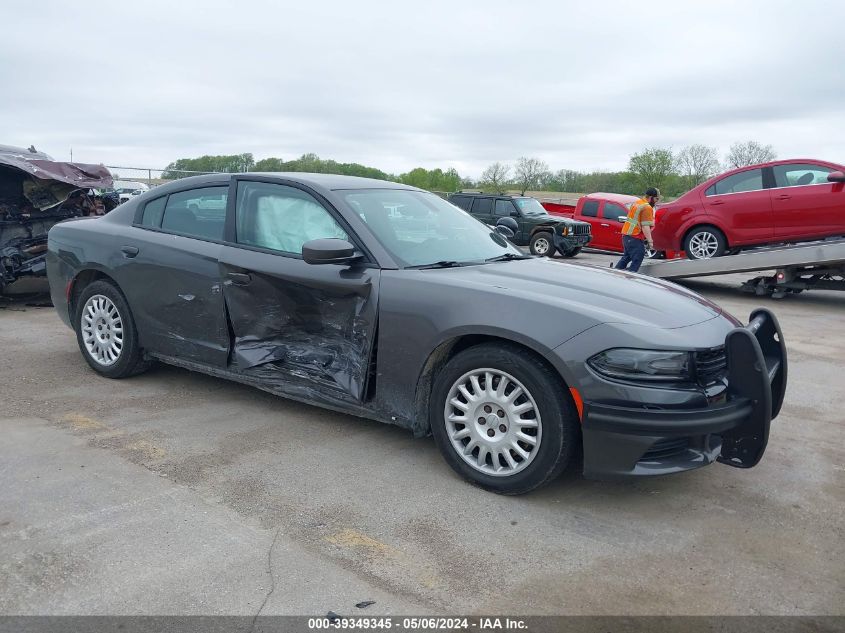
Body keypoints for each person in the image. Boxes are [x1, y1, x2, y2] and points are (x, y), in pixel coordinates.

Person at [615, 187, 659, 273]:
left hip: (627, 235)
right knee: (638, 258)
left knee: (626, 257)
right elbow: (645, 226)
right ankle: (631, 277)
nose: (657, 201)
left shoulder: (637, 203)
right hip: (634, 236)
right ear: (651, 197)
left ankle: (614, 274)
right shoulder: (647, 207)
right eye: (656, 198)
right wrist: (650, 241)